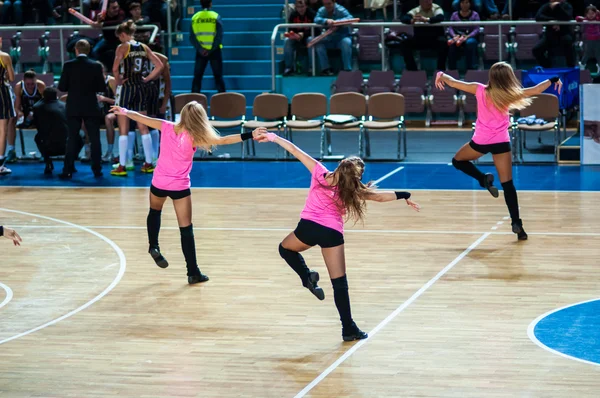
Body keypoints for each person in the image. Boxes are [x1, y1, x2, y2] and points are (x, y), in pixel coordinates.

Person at [254, 132, 420, 341]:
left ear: (340, 166)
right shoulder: (352, 189)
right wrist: (404, 195)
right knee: (339, 283)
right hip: (331, 233)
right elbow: (378, 197)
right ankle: (348, 328)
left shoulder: (320, 173)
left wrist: (272, 137)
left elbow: (295, 150)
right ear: (356, 176)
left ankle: (307, 277)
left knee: (285, 249)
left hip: (308, 228)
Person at [109, 101, 263, 284]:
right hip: (179, 187)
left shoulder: (166, 127)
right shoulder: (195, 136)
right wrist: (250, 135)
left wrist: (125, 111)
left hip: (159, 182)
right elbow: (224, 140)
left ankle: (153, 245)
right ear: (199, 118)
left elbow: (143, 119)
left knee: (154, 211)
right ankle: (193, 272)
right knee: (186, 229)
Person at [435, 62, 563, 240]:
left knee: (458, 161)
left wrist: (441, 74)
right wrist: (553, 79)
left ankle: (483, 179)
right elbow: (535, 90)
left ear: (492, 77)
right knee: (508, 184)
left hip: (480, 141)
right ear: (508, 78)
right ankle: (517, 224)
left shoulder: (479, 90)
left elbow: (455, 83)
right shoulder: (509, 94)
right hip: (501, 142)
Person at [111, 20, 163, 176]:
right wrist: (147, 79)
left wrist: (118, 80)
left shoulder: (122, 47)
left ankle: (122, 166)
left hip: (127, 87)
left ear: (123, 34)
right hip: (141, 87)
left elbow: (114, 68)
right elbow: (159, 65)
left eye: (119, 37)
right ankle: (148, 163)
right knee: (143, 126)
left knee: (123, 129)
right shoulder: (144, 47)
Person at [58, 39, 107, 179]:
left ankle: (67, 169)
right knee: (94, 139)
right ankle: (97, 170)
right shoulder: (96, 66)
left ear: (76, 50)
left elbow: (62, 87)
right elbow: (101, 88)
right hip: (91, 106)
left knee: (72, 138)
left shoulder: (68, 65)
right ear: (89, 50)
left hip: (73, 106)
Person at [309, 0, 354, 76]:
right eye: (325, 4)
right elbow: (316, 19)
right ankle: (326, 69)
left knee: (346, 43)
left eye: (329, 4)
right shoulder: (322, 10)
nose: (327, 6)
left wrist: (336, 22)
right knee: (318, 44)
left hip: (342, 37)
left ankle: (347, 69)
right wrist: (326, 20)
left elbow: (350, 17)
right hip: (329, 38)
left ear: (334, 2)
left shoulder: (340, 9)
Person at [400, 0, 447, 71]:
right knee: (405, 44)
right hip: (420, 39)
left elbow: (440, 17)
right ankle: (412, 70)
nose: (429, 2)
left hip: (435, 39)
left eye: (430, 0)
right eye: (426, 1)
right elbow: (404, 18)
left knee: (444, 43)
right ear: (420, 2)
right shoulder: (416, 10)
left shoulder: (436, 8)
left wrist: (426, 20)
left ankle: (440, 70)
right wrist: (411, 20)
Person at [190, 0, 225, 94]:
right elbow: (219, 36)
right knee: (218, 76)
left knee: (197, 77)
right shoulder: (215, 16)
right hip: (214, 51)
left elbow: (192, 37)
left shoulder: (195, 17)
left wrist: (201, 49)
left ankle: (193, 100)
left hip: (201, 52)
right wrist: (211, 49)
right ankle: (223, 99)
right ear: (210, 3)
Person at [32, 87, 68, 175]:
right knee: (80, 135)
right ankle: (69, 163)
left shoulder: (37, 107)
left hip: (48, 145)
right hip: (66, 146)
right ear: (56, 96)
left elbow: (35, 124)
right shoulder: (64, 106)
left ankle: (48, 162)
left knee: (37, 137)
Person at [533, 0, 575, 68]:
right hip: (549, 34)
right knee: (536, 50)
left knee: (568, 43)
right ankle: (547, 67)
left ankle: (571, 68)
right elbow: (538, 17)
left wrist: (557, 7)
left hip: (564, 33)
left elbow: (567, 17)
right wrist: (552, 21)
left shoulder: (567, 5)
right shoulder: (547, 5)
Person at [283, 0, 316, 76]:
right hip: (296, 38)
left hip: (308, 37)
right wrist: (294, 35)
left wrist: (303, 34)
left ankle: (312, 67)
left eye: (302, 7)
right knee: (287, 40)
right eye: (298, 7)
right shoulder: (293, 15)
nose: (300, 9)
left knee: (311, 39)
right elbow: (290, 29)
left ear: (306, 6)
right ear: (295, 7)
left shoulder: (312, 14)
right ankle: (288, 68)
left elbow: (316, 30)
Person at [447, 0, 480, 71]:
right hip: (457, 37)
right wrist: (454, 36)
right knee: (451, 45)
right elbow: (450, 28)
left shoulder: (475, 14)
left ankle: (471, 69)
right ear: (459, 4)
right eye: (462, 3)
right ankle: (452, 70)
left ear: (470, 4)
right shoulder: (454, 14)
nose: (464, 5)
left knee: (470, 43)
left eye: (467, 2)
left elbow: (477, 29)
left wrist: (468, 36)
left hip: (469, 37)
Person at [96, 63, 118, 162]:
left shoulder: (111, 81)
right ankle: (90, 150)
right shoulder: (92, 81)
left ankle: (110, 151)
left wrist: (105, 99)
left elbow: (119, 101)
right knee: (84, 118)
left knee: (108, 118)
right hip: (98, 110)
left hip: (114, 110)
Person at [0, 37, 15, 176]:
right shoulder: (4, 56)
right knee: (2, 129)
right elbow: (11, 78)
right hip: (1, 92)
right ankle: (0, 164)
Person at [577, 5, 600, 73]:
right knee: (586, 53)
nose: (591, 15)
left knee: (598, 54)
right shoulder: (585, 20)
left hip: (597, 40)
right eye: (589, 13)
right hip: (587, 40)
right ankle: (582, 65)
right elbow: (577, 18)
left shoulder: (597, 20)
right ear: (586, 14)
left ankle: (599, 65)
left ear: (595, 13)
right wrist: (583, 18)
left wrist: (598, 12)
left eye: (592, 13)